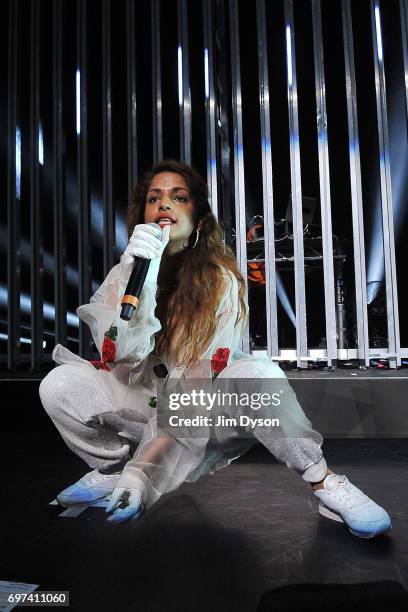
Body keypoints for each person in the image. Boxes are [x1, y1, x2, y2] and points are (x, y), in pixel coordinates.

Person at [39, 160, 391, 538]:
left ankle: (323, 482)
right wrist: (137, 277)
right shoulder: (126, 274)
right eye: (154, 198)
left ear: (200, 220)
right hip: (145, 399)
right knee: (61, 384)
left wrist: (144, 472)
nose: (164, 206)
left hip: (205, 413)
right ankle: (111, 471)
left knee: (259, 376)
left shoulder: (219, 280)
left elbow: (191, 388)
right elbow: (122, 356)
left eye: (179, 197)